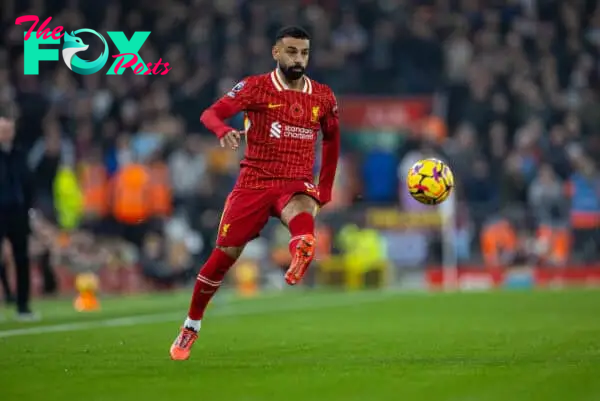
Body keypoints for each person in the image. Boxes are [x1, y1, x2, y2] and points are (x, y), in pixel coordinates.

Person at [170, 26, 340, 360]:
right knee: (222, 258)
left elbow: (333, 140)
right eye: (291, 51)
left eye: (304, 52)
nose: (298, 59)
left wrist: (326, 188)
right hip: (255, 182)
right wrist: (222, 131)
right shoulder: (255, 87)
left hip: (296, 180)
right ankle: (191, 325)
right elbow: (211, 113)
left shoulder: (323, 96)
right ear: (276, 53)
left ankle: (301, 248)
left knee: (303, 206)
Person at [0, 103, 37, 320]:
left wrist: (28, 208)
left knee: (22, 258)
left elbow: (28, 182)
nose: (7, 134)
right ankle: (9, 295)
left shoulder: (20, 154)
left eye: (8, 130)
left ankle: (23, 305)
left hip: (18, 213)